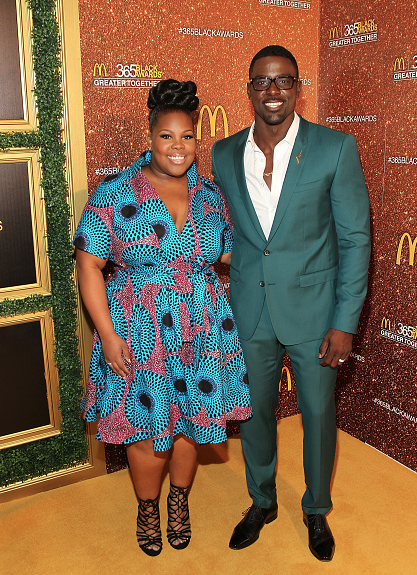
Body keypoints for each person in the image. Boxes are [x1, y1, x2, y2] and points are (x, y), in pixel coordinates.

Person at [74, 79, 251, 557]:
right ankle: (147, 507)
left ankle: (179, 501)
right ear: (149, 138)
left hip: (201, 327)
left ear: (198, 139)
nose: (178, 146)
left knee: (192, 422)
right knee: (145, 426)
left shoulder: (212, 195)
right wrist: (107, 334)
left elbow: (233, 257)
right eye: (167, 136)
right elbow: (89, 264)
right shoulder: (112, 194)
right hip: (138, 331)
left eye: (188, 136)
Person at [211, 45, 371, 561]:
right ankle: (262, 500)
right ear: (249, 88)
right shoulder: (223, 153)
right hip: (250, 310)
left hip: (316, 313)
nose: (272, 91)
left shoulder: (335, 148)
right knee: (255, 413)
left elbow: (354, 241)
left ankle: (317, 509)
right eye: (262, 81)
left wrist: (346, 322)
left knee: (318, 414)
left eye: (283, 81)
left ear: (298, 87)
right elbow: (226, 229)